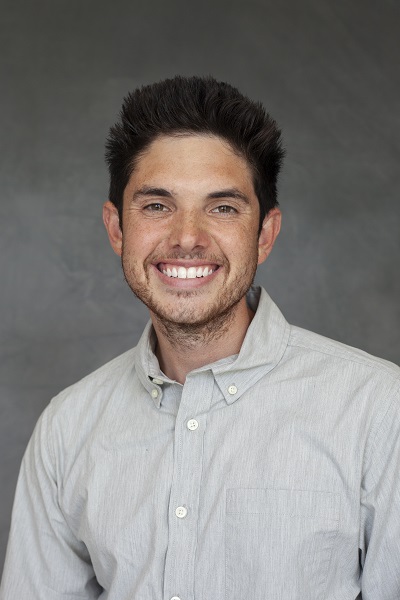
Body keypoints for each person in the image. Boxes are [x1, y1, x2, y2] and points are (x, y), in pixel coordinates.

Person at [1, 75, 399, 600]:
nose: (187, 237)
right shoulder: (66, 429)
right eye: (157, 206)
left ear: (265, 234)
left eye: (222, 207)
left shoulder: (380, 411)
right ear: (117, 229)